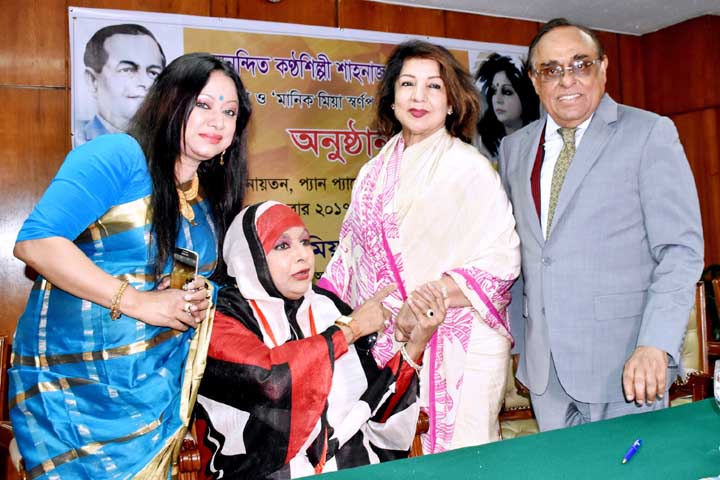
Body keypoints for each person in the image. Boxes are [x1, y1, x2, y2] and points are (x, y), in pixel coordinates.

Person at [9, 52, 252, 478]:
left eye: (230, 112)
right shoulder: (118, 155)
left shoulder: (207, 198)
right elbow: (37, 244)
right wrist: (138, 302)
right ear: (170, 101)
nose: (218, 121)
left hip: (154, 389)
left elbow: (194, 279)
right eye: (204, 105)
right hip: (78, 391)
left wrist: (196, 295)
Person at [498, 18, 704, 432]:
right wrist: (519, 341)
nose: (567, 80)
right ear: (535, 81)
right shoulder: (514, 149)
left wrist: (655, 344)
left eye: (580, 64)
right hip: (546, 372)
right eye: (551, 70)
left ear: (604, 69)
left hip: (627, 364)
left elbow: (680, 252)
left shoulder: (649, 134)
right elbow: (517, 252)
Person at [319, 40, 521, 454]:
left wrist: (426, 303)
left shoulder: (471, 169)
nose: (419, 96)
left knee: (464, 460)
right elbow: (349, 258)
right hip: (392, 343)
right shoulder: (371, 175)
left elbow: (502, 261)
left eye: (434, 86)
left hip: (462, 342)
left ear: (451, 103)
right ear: (392, 99)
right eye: (408, 84)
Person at [194, 201, 444, 479]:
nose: (303, 256)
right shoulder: (221, 318)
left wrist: (415, 342)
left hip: (353, 466)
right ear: (247, 257)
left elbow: (372, 404)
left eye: (305, 242)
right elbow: (271, 382)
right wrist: (350, 330)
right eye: (282, 246)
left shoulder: (328, 307)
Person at [76, 24, 167, 146]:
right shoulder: (78, 141)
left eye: (153, 73)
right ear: (92, 81)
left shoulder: (172, 143)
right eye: (127, 70)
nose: (145, 83)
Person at [475, 53, 539, 165]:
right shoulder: (482, 141)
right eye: (494, 91)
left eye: (507, 92)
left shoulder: (539, 140)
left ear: (525, 97)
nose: (498, 100)